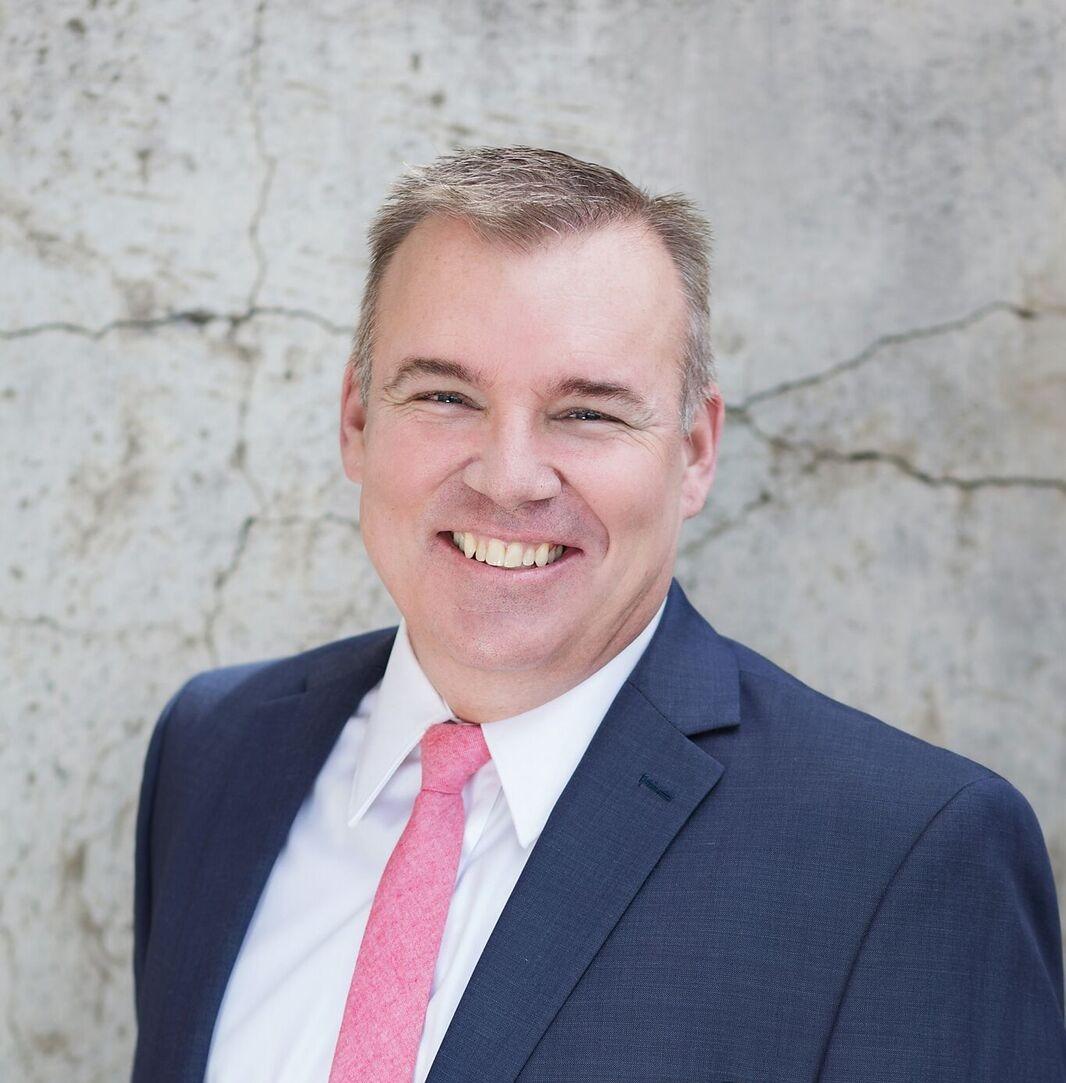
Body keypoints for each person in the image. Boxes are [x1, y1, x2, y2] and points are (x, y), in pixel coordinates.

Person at [131, 146, 1066, 1083]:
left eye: (586, 413)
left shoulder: (906, 857)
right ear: (357, 420)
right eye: (446, 396)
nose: (509, 478)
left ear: (695, 451)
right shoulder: (217, 752)